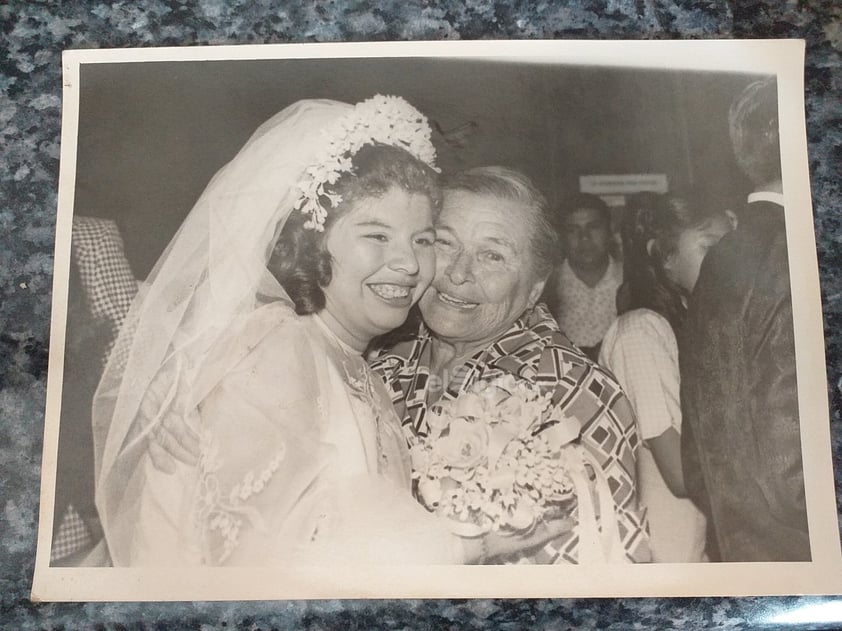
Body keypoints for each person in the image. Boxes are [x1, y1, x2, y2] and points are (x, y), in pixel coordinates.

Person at [92, 97, 568, 567]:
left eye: (422, 240)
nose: (408, 263)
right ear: (311, 243)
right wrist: (469, 546)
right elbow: (263, 564)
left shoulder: (360, 365)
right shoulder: (274, 349)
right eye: (377, 236)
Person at [371, 167, 650, 564]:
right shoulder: (384, 363)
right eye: (445, 244)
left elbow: (595, 576)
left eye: (493, 255)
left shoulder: (572, 391)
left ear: (536, 287)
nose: (458, 273)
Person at [680, 77, 810, 561]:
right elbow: (790, 459)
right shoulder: (794, 251)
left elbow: (695, 463)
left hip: (742, 544)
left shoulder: (722, 257)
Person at [599, 193, 735, 562]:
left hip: (699, 548)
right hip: (662, 554)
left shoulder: (691, 324)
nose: (728, 260)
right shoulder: (641, 332)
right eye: (710, 246)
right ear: (663, 254)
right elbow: (677, 472)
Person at [546, 193, 622, 361]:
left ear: (609, 230)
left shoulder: (630, 282)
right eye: (573, 230)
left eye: (593, 227)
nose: (584, 238)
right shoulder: (547, 287)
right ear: (561, 237)